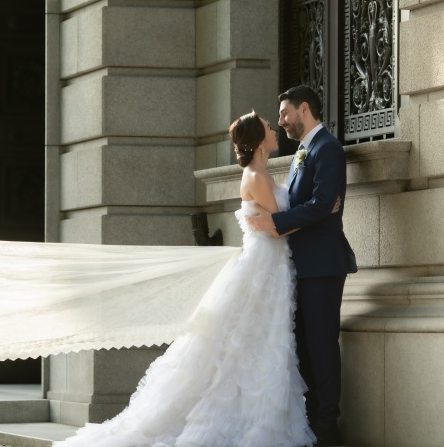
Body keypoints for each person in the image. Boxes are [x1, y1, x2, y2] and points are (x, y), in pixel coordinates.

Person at [53, 111, 319, 447]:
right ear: (258, 140)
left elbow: (275, 223)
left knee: (258, 338)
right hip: (262, 269)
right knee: (251, 340)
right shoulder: (257, 178)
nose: (273, 129)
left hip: (271, 267)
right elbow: (278, 226)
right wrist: (317, 212)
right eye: (268, 127)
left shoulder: (261, 175)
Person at [245, 85, 357, 447]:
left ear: (303, 109)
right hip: (300, 266)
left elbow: (324, 202)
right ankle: (309, 422)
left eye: (284, 113)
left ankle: (328, 425)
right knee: (304, 347)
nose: (280, 121)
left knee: (322, 345)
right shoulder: (302, 154)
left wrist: (277, 224)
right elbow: (311, 205)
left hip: (323, 265)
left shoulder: (328, 149)